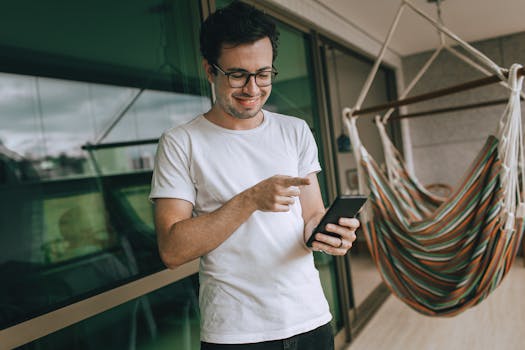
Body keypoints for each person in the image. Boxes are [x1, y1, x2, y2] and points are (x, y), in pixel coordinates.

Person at [149, 2, 360, 349]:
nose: (252, 89)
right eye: (237, 75)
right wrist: (249, 200)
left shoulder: (295, 131)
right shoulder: (181, 142)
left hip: (311, 320)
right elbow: (172, 250)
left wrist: (328, 232)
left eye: (263, 74)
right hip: (236, 333)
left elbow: (311, 215)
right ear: (210, 71)